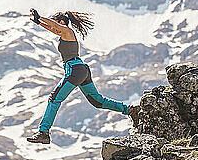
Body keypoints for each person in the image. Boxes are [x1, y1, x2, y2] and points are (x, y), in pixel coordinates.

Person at [26, 8, 129, 145]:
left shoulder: (67, 31)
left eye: (55, 23)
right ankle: (128, 109)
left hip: (74, 70)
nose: (53, 27)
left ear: (62, 22)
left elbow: (55, 26)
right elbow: (53, 28)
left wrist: (41, 17)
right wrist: (39, 22)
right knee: (97, 101)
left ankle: (43, 132)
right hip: (81, 70)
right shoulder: (64, 34)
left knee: (54, 99)